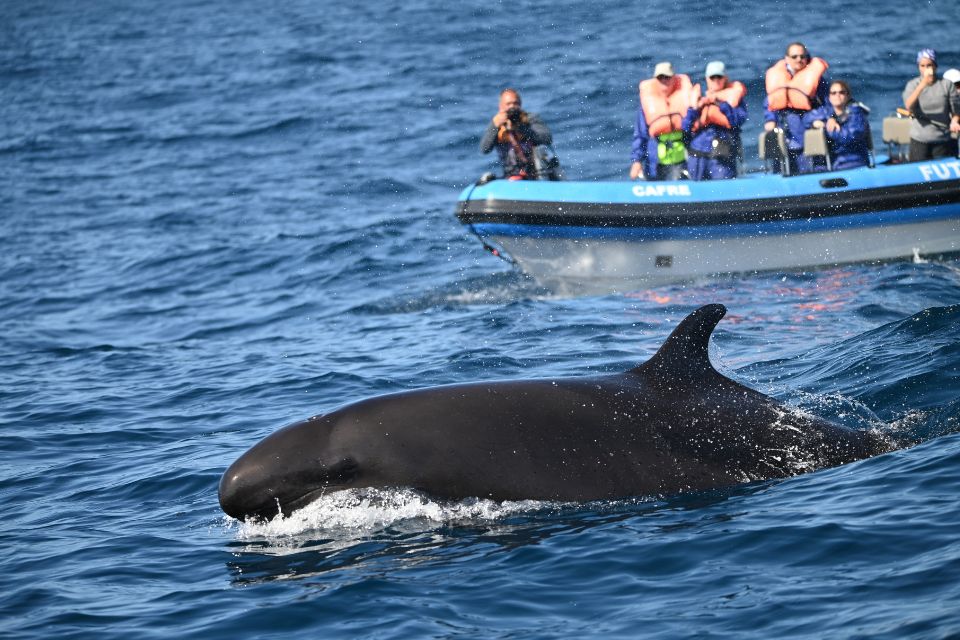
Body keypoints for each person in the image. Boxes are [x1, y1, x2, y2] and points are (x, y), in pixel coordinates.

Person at [763, 42, 830, 174]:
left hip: (806, 129)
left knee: (809, 167)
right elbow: (769, 102)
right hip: (784, 130)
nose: (799, 59)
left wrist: (816, 118)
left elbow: (828, 104)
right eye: (794, 57)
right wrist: (770, 119)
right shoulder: (777, 76)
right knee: (782, 168)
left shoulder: (817, 80)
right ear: (787, 58)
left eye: (802, 56)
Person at [681, 60, 747, 180]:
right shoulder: (699, 100)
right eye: (713, 77)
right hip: (698, 154)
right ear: (707, 79)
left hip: (722, 156)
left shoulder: (734, 99)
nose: (716, 80)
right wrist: (695, 109)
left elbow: (737, 121)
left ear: (725, 78)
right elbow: (685, 127)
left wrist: (720, 103)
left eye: (719, 77)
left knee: (724, 192)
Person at [630, 62, 694, 181]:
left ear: (674, 78)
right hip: (656, 161)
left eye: (667, 77)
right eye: (660, 78)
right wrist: (636, 161)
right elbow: (640, 135)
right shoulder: (647, 104)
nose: (664, 80)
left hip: (683, 160)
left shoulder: (687, 99)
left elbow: (695, 128)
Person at [480, 88, 554, 180]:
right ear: (501, 106)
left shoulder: (529, 119)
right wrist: (494, 126)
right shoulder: (496, 123)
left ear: (520, 104)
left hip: (537, 173)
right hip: (511, 176)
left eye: (515, 103)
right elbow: (484, 149)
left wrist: (521, 128)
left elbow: (547, 138)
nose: (512, 107)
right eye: (508, 104)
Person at [902, 49, 960, 161]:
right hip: (919, 140)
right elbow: (908, 105)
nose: (926, 69)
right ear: (918, 67)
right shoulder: (912, 85)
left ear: (935, 66)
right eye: (922, 65)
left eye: (929, 65)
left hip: (942, 139)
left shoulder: (946, 85)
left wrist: (954, 121)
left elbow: (956, 110)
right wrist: (923, 84)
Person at [803, 80, 872, 170]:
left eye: (841, 92)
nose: (837, 95)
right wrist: (817, 122)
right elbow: (806, 119)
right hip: (833, 162)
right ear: (829, 97)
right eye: (833, 93)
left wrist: (827, 129)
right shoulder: (826, 111)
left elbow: (849, 137)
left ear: (848, 95)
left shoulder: (857, 114)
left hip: (853, 161)